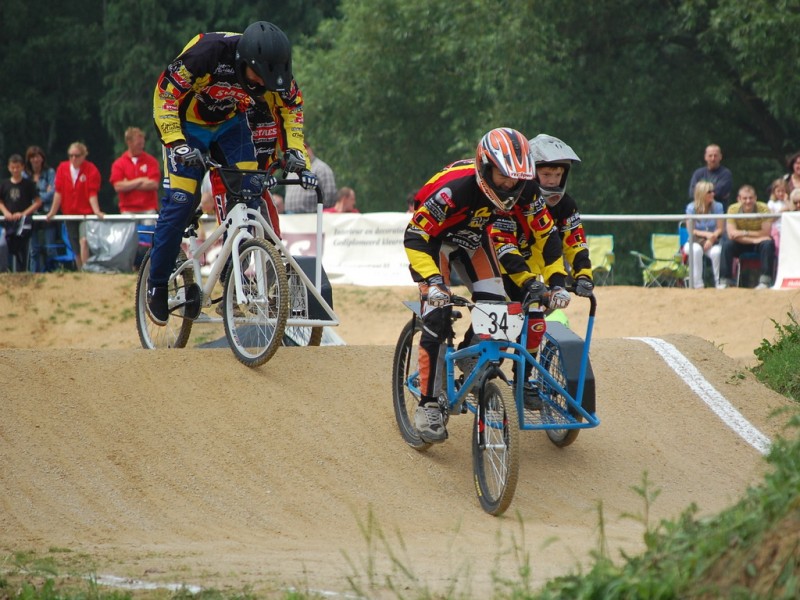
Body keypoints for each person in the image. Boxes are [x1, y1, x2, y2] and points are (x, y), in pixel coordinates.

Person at [146, 21, 317, 325]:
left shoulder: (276, 73)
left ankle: (231, 267)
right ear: (243, 62)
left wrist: (295, 153)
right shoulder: (207, 54)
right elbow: (165, 96)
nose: (264, 85)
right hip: (187, 127)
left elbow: (293, 109)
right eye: (258, 77)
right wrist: (177, 143)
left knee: (250, 193)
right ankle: (156, 285)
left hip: (230, 127)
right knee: (181, 202)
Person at [404, 127, 568, 444]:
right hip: (432, 243)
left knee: (496, 305)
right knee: (436, 316)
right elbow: (415, 236)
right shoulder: (455, 189)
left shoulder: (527, 189)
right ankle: (427, 405)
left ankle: (468, 353)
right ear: (485, 167)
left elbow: (547, 237)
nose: (510, 187)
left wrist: (558, 283)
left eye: (517, 180)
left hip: (473, 240)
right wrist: (435, 283)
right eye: (503, 177)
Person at [46, 142, 104, 269]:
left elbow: (92, 193)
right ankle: (80, 271)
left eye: (77, 155)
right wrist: (52, 212)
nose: (73, 158)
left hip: (85, 214)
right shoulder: (62, 168)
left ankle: (87, 269)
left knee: (84, 241)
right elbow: (58, 192)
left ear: (83, 155)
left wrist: (96, 211)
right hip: (69, 213)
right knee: (75, 246)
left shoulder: (90, 169)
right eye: (71, 155)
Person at [718, 185, 775, 290]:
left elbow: (766, 233)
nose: (748, 201)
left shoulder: (764, 209)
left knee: (768, 244)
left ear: (755, 198)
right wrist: (754, 239)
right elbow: (732, 234)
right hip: (743, 242)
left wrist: (743, 233)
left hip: (758, 243)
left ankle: (765, 281)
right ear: (739, 199)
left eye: (751, 198)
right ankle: (724, 281)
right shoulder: (732, 209)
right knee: (727, 245)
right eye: (744, 198)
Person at [0, 154, 42, 272]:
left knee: (22, 250)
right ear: (8, 167)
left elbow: (37, 202)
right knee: (3, 245)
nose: (15, 170)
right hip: (8, 222)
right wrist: (6, 212)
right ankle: (3, 271)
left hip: (24, 223)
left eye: (17, 167)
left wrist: (23, 213)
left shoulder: (28, 184)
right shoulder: (4, 184)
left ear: (22, 167)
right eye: (12, 167)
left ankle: (22, 273)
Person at [110, 126, 161, 214]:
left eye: (142, 144)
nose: (141, 147)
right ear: (129, 143)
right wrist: (141, 180)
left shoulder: (151, 161)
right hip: (127, 210)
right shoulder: (119, 163)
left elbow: (154, 184)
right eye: (138, 144)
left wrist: (128, 183)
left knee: (147, 228)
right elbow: (118, 187)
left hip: (148, 209)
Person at [23, 146, 58, 272]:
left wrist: (37, 198)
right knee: (34, 250)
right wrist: (42, 194)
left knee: (50, 247)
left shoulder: (50, 173)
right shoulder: (25, 175)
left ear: (42, 158)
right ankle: (33, 275)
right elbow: (24, 194)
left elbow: (53, 192)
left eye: (37, 156)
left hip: (47, 212)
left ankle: (54, 274)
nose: (35, 160)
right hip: (32, 214)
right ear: (29, 160)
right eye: (32, 157)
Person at [684, 181, 724, 288]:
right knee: (696, 250)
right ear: (701, 193)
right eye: (709, 192)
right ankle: (698, 284)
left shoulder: (718, 207)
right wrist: (707, 235)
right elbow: (691, 230)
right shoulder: (691, 208)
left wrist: (711, 239)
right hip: (694, 241)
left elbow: (720, 228)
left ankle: (719, 282)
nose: (713, 194)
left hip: (713, 241)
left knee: (717, 252)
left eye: (713, 191)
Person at [284, 143, 336, 213]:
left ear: (309, 149)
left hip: (311, 216)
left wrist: (321, 213)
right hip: (289, 218)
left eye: (301, 149)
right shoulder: (291, 170)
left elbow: (330, 195)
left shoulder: (321, 168)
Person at [688, 144, 734, 209]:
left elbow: (720, 193)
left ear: (720, 157)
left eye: (715, 156)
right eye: (710, 156)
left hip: (719, 212)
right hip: (699, 212)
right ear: (705, 157)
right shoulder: (698, 173)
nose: (713, 159)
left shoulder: (726, 174)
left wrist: (700, 192)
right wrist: (712, 192)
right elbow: (692, 193)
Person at [766, 178, 791, 254]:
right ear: (774, 192)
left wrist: (786, 201)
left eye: (783, 191)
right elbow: (772, 218)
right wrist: (782, 211)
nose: (780, 193)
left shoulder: (788, 202)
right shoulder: (771, 203)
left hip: (787, 230)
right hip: (776, 230)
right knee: (778, 249)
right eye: (778, 191)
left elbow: (792, 209)